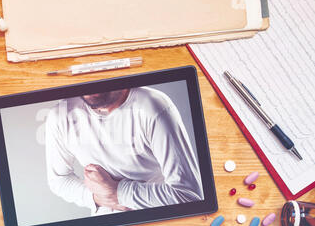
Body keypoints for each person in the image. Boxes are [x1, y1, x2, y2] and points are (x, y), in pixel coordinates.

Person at [45, 86, 203, 215]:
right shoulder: (60, 116)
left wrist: (118, 192)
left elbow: (189, 196)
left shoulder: (153, 106)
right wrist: (98, 198)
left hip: (159, 220)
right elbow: (59, 179)